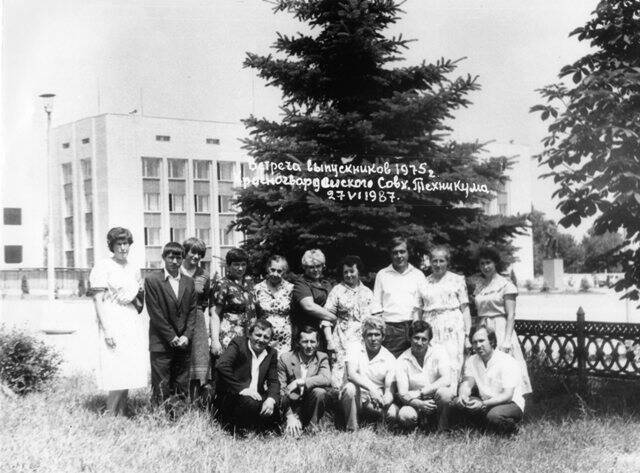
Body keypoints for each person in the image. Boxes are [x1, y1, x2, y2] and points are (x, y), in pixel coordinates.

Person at [89, 227, 148, 415]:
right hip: (112, 319)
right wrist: (106, 329)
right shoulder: (103, 266)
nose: (123, 248)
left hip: (130, 320)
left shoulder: (133, 268)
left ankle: (122, 411)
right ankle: (109, 413)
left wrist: (134, 299)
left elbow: (138, 295)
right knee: (116, 367)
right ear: (112, 246)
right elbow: (97, 300)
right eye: (119, 244)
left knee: (129, 366)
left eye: (126, 244)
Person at [473, 247, 532, 394]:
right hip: (482, 329)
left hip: (500, 328)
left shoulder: (506, 285)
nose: (485, 267)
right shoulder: (480, 286)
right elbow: (479, 312)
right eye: (482, 264)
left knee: (504, 365)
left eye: (488, 263)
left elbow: (511, 315)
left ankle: (512, 402)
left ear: (495, 263)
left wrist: (506, 340)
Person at [144, 242, 198, 405]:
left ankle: (179, 419)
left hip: (183, 343)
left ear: (182, 259)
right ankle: (161, 419)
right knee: (161, 385)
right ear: (164, 258)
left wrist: (186, 336)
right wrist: (171, 336)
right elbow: (155, 313)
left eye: (178, 257)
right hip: (161, 342)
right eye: (171, 257)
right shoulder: (152, 280)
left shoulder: (189, 282)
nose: (175, 261)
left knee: (181, 383)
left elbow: (192, 311)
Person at [454, 326, 525, 435]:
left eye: (482, 341)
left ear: (492, 341)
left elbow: (507, 395)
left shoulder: (507, 361)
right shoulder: (472, 360)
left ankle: (513, 429)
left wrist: (482, 403)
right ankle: (483, 427)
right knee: (457, 403)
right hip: (486, 402)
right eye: (474, 342)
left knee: (493, 416)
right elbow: (467, 383)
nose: (478, 345)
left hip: (510, 403)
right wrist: (463, 396)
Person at [215, 319, 280, 432]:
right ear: (250, 334)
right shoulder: (238, 344)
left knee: (280, 402)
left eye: (266, 337)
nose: (261, 340)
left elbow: (273, 381)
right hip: (234, 395)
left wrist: (270, 399)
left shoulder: (271, 353)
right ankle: (240, 429)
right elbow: (222, 365)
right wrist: (242, 388)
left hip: (255, 396)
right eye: (258, 335)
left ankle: (260, 428)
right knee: (250, 403)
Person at [418, 246, 471, 383]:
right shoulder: (424, 282)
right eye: (434, 261)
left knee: (452, 359)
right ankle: (432, 395)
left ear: (447, 262)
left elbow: (465, 309)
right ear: (430, 261)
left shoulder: (457, 280)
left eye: (441, 261)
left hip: (452, 327)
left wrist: (467, 335)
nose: (437, 264)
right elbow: (418, 310)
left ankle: (452, 393)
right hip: (430, 326)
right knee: (432, 359)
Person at [391, 320, 453, 431]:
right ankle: (420, 427)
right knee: (405, 415)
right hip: (414, 402)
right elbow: (403, 393)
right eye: (416, 338)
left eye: (424, 339)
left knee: (445, 393)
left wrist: (422, 392)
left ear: (429, 341)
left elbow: (447, 379)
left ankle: (443, 428)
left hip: (434, 399)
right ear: (410, 338)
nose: (419, 343)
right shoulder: (401, 360)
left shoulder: (439, 352)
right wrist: (420, 404)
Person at [371, 236, 426, 357]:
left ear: (408, 253)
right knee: (391, 367)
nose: (399, 256)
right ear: (391, 255)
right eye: (395, 253)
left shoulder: (418, 275)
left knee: (413, 366)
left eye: (402, 251)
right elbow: (376, 305)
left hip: (413, 326)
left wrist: (417, 328)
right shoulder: (382, 274)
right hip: (390, 328)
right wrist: (381, 328)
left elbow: (422, 305)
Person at [323, 255, 373, 387]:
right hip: (341, 338)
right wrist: (329, 341)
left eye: (352, 271)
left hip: (362, 340)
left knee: (360, 371)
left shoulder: (367, 292)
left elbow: (374, 320)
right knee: (340, 374)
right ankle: (337, 404)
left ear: (359, 272)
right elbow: (326, 317)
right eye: (345, 272)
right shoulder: (337, 290)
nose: (349, 275)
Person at [340, 316, 396, 431]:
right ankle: (352, 429)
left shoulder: (389, 358)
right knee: (350, 388)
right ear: (363, 337)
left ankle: (374, 425)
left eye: (377, 335)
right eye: (369, 335)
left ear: (383, 337)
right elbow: (351, 374)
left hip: (375, 400)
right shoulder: (354, 348)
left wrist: (385, 400)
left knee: (393, 413)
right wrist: (372, 389)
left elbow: (389, 389)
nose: (373, 339)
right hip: (356, 397)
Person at [277, 325, 332, 437]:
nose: (309, 346)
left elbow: (326, 378)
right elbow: (281, 389)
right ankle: (292, 422)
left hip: (311, 406)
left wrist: (300, 382)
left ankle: (313, 426)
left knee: (319, 392)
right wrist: (290, 416)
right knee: (291, 436)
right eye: (305, 342)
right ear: (298, 342)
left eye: (312, 342)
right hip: (291, 406)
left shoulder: (322, 357)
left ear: (317, 343)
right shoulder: (285, 358)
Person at [180, 237, 211, 401]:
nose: (196, 256)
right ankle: (178, 399)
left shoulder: (204, 275)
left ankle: (195, 400)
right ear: (185, 252)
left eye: (200, 253)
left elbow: (205, 300)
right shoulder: (176, 271)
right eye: (193, 251)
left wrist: (196, 313)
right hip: (178, 318)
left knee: (198, 357)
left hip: (198, 320)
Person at [210, 248, 256, 353]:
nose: (240, 268)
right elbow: (215, 314)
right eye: (236, 264)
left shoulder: (249, 282)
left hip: (249, 335)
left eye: (243, 264)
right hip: (229, 336)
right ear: (228, 266)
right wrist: (215, 341)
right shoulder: (222, 284)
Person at [290, 249, 336, 350]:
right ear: (304, 267)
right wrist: (334, 317)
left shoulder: (326, 283)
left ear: (323, 266)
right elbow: (309, 306)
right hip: (306, 333)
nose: (315, 270)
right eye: (311, 267)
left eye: (318, 266)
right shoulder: (301, 284)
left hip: (325, 332)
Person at [254, 255, 294, 353]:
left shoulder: (290, 289)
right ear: (268, 268)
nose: (275, 274)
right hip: (263, 336)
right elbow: (254, 313)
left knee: (282, 365)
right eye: (272, 270)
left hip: (284, 338)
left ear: (284, 271)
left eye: (279, 271)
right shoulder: (258, 288)